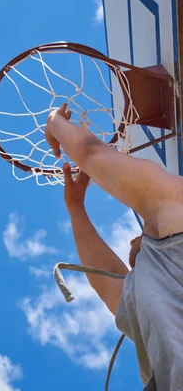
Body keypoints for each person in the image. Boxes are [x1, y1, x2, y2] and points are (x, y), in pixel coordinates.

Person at [47, 103, 183, 390]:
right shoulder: (145, 291)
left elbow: (89, 151)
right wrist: (75, 208)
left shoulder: (172, 210)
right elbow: (105, 276)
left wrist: (54, 122)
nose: (133, 239)